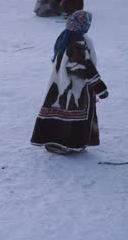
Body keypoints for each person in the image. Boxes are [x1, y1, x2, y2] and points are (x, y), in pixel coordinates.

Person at [31, 10, 108, 154]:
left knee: (59, 109)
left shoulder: (64, 37)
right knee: (71, 111)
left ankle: (55, 140)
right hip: (74, 88)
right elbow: (83, 66)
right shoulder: (78, 42)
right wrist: (99, 87)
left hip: (58, 84)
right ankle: (68, 143)